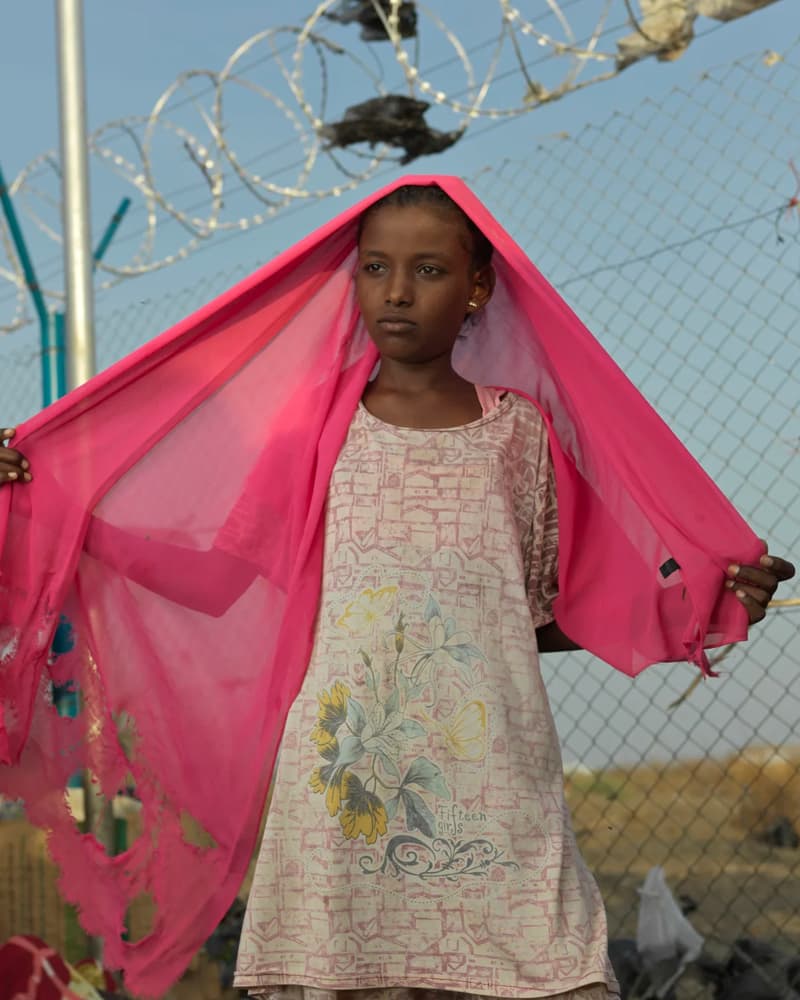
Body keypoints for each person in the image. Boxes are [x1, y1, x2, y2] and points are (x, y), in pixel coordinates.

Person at [0, 178, 794, 999]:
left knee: (550, 969)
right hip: (345, 785)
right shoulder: (313, 433)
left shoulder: (517, 432)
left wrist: (709, 601)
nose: (398, 292)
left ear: (478, 287)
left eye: (428, 270)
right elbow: (213, 580)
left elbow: (550, 612)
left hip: (493, 775)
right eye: (376, 268)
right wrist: (58, 519)